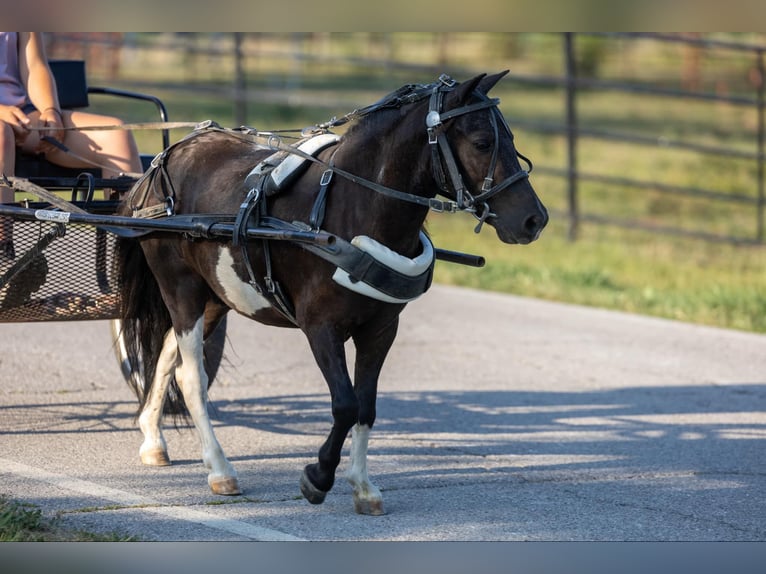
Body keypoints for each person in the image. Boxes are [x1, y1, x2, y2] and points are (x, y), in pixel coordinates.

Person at [0, 32, 142, 260]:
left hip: (22, 117)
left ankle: (131, 261)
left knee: (116, 134)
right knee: (0, 134)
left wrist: (50, 112)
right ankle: (3, 255)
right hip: (3, 125)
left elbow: (35, 65)